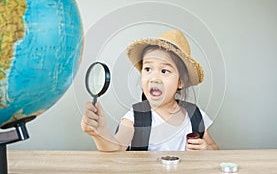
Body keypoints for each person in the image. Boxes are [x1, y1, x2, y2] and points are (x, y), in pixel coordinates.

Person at [81, 29, 218, 151]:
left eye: (164, 71)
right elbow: (116, 146)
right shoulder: (135, 117)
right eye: (148, 69)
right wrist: (100, 133)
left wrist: (206, 150)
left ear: (180, 82)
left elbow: (214, 149)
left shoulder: (194, 115)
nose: (154, 78)